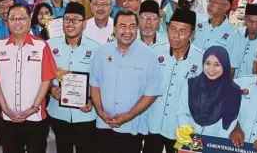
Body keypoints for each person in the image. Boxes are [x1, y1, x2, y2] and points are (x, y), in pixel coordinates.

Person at [0, 4, 57, 153]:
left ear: (30, 20)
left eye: (22, 18)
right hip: (8, 117)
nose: (17, 22)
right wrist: (4, 108)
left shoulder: (41, 46)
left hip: (35, 117)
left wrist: (34, 107)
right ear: (7, 21)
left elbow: (46, 80)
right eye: (13, 19)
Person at [90, 10, 162, 153]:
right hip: (104, 124)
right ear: (114, 28)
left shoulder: (149, 56)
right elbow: (95, 84)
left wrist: (129, 115)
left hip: (132, 127)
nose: (127, 31)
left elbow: (151, 93)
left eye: (132, 26)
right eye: (122, 26)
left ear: (137, 28)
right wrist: (100, 111)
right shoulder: (102, 52)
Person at [143, 9, 205, 153]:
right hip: (153, 123)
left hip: (182, 129)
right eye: (172, 29)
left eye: (183, 31)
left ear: (192, 34)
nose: (176, 36)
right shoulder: (154, 52)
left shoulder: (201, 60)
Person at [46, 2, 99, 153]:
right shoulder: (49, 46)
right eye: (67, 19)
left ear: (84, 24)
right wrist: (51, 88)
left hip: (85, 114)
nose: (70, 24)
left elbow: (101, 80)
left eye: (76, 19)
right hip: (58, 113)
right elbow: (44, 76)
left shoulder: (96, 49)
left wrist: (92, 100)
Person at [176, 45, 240, 142]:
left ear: (225, 65)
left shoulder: (233, 91)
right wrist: (191, 137)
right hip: (188, 139)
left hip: (214, 143)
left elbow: (229, 124)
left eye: (217, 64)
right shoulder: (191, 84)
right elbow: (182, 113)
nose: (211, 69)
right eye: (208, 63)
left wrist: (211, 144)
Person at [192, 0, 241, 69]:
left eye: (215, 2)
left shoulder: (234, 33)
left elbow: (231, 67)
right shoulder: (197, 20)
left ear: (226, 7)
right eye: (210, 1)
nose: (210, 5)